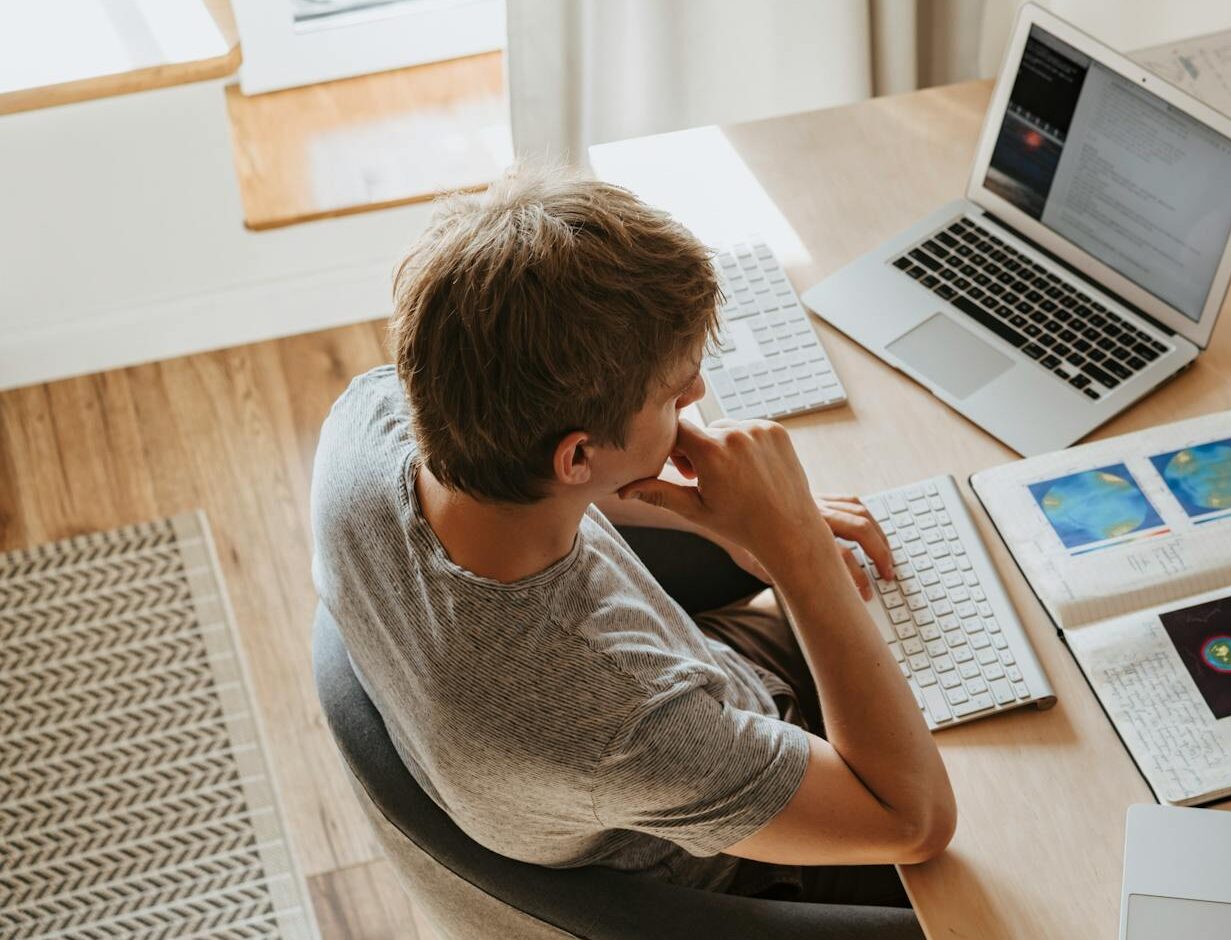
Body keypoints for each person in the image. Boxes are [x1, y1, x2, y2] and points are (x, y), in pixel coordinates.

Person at [310, 164, 954, 906]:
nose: (698, 396)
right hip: (765, 854)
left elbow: (527, 475)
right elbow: (914, 820)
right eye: (675, 393)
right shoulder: (618, 717)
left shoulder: (369, 422)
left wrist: (725, 514)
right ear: (579, 457)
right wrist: (796, 551)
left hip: (680, 697)